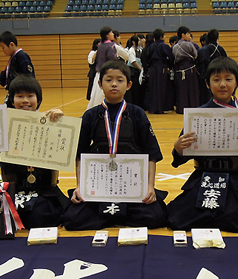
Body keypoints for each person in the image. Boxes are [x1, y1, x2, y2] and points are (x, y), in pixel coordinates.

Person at [167, 57, 238, 232]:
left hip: (236, 178)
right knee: (178, 219)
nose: (222, 84)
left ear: (237, 81)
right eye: (216, 80)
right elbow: (180, 156)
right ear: (208, 84)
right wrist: (178, 147)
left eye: (228, 79)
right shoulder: (199, 114)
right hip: (204, 176)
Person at [62, 60, 168, 230]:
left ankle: (106, 217)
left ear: (129, 84)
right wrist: (80, 186)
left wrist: (149, 187)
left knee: (156, 217)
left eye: (120, 80)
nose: (114, 84)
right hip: (99, 185)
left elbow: (151, 154)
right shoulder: (90, 116)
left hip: (130, 184)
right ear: (100, 84)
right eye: (108, 79)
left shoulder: (137, 114)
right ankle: (117, 215)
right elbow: (80, 155)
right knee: (72, 219)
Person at [0, 75, 70, 229]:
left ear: (38, 100)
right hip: (15, 190)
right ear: (12, 101)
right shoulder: (3, 125)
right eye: (19, 96)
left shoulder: (49, 123)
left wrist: (59, 121)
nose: (25, 100)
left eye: (30, 96)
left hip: (46, 190)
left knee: (66, 215)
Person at [0, 31, 35, 108]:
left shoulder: (22, 56)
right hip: (14, 92)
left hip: (20, 93)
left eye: (3, 47)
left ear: (11, 44)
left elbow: (29, 77)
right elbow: (4, 75)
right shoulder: (13, 58)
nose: (3, 50)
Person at [86, 26, 117, 111]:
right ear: (107, 35)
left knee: (94, 97)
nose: (113, 34)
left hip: (98, 75)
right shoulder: (111, 45)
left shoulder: (100, 46)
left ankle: (91, 114)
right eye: (111, 32)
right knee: (102, 97)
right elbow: (112, 61)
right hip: (106, 75)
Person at [172, 26, 200, 114]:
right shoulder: (189, 44)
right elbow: (195, 55)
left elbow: (175, 59)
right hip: (190, 69)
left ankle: (181, 108)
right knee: (192, 89)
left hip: (180, 70)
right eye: (188, 34)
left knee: (182, 90)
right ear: (183, 35)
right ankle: (193, 107)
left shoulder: (174, 47)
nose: (189, 35)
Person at [197, 29, 228, 106]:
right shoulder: (221, 49)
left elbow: (204, 61)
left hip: (207, 74)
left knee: (205, 94)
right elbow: (226, 61)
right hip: (220, 74)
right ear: (217, 37)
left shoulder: (206, 49)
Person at [146, 29, 174, 114]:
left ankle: (153, 108)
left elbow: (148, 58)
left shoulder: (151, 46)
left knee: (153, 88)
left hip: (153, 68)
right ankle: (161, 108)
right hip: (162, 67)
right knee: (162, 88)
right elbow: (171, 58)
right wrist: (169, 66)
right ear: (161, 37)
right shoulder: (164, 46)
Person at [125, 35, 143, 107]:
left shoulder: (140, 49)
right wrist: (140, 68)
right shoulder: (131, 50)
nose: (140, 41)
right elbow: (133, 61)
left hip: (138, 71)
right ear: (133, 42)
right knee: (134, 89)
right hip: (133, 71)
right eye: (138, 40)